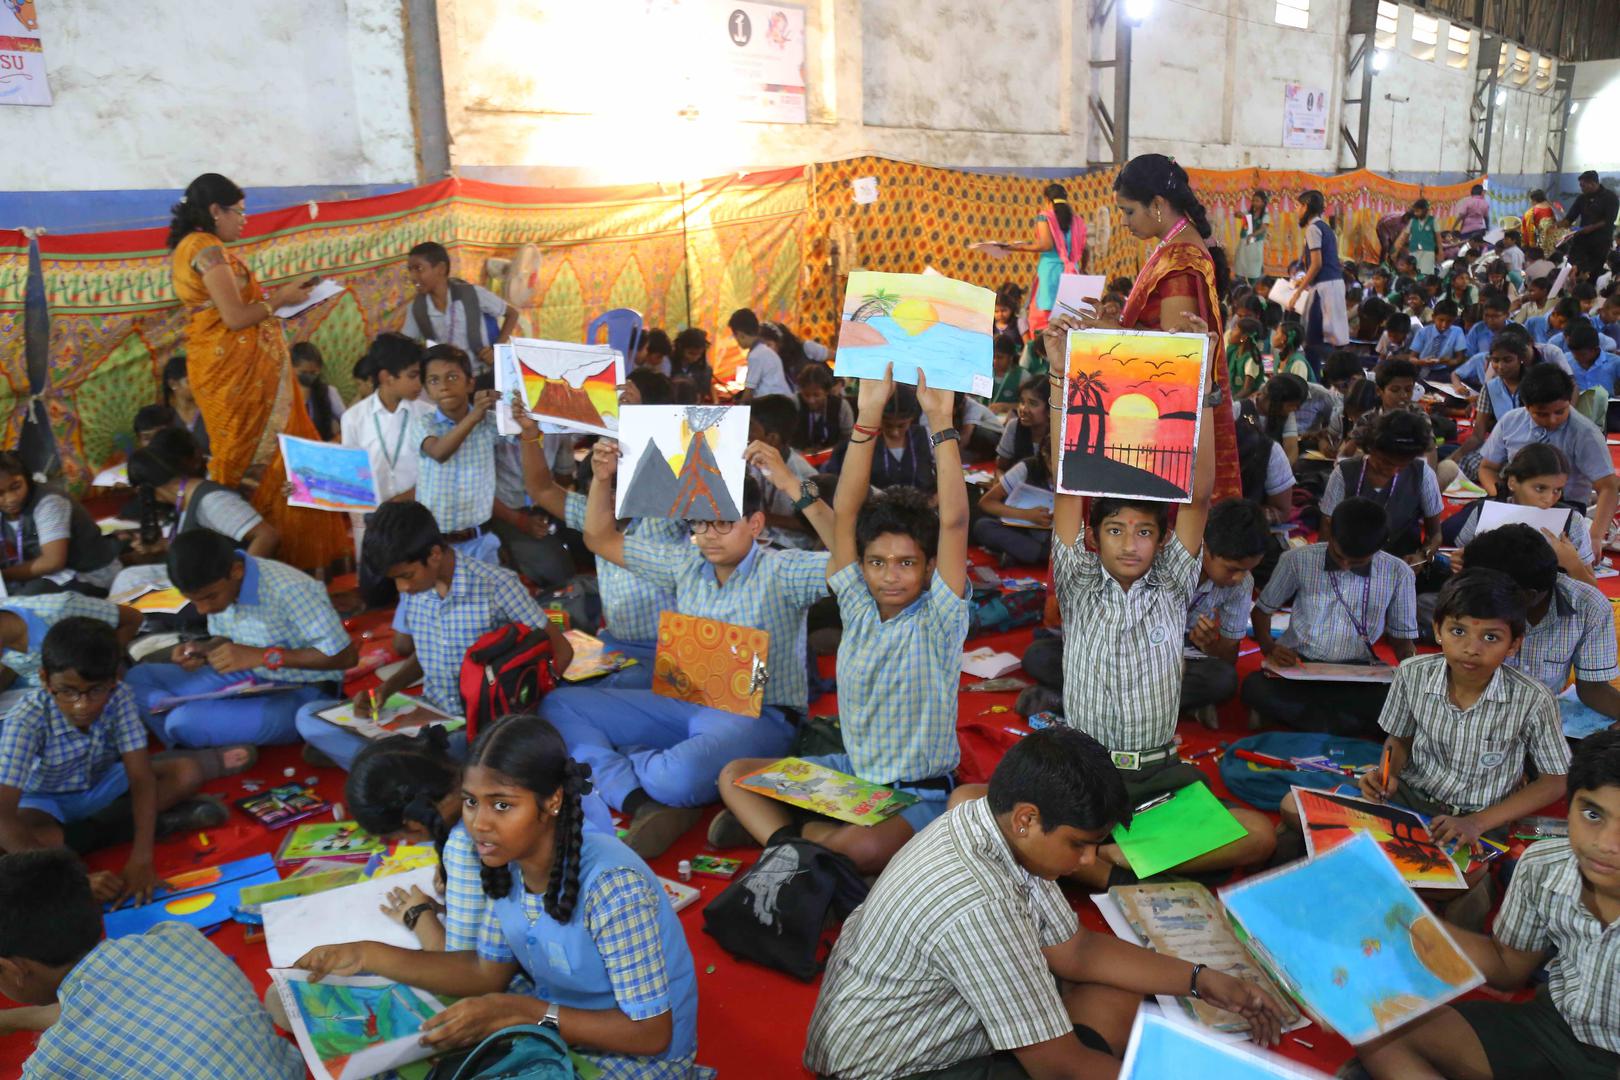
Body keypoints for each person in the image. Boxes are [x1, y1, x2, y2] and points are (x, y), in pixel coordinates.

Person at [965, 310, 1274, 888]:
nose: (1129, 543)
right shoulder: (1079, 581)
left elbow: (1198, 493)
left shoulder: (1174, 582)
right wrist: (1060, 377)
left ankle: (1098, 860)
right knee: (967, 801)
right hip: (1082, 770)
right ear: (1092, 537)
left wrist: (1203, 384)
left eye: (1143, 532)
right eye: (1114, 530)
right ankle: (1115, 857)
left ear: (1162, 540)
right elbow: (1065, 484)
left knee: (1256, 833)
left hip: (1157, 773)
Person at [802, 727, 1287, 1080]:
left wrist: (1203, 980)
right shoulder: (978, 900)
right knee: (1102, 1031)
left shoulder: (988, 823)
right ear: (1028, 820)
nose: (1087, 861)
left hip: (904, 1023)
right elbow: (1060, 1067)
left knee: (1117, 989)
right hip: (885, 1068)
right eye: (1079, 844)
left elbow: (1078, 952)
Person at [295, 714, 703, 1074]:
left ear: (552, 801)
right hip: (554, 1014)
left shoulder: (612, 886)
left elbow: (651, 1034)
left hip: (635, 1053)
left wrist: (521, 1013)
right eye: (471, 802)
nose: (479, 824)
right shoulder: (504, 862)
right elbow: (483, 971)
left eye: (502, 806)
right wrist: (366, 954)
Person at [713, 368, 970, 874]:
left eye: (906, 563)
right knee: (734, 774)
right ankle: (804, 843)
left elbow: (956, 521)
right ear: (863, 566)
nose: (890, 576)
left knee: (862, 850)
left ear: (929, 568)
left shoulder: (939, 618)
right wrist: (867, 413)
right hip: (852, 780)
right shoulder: (855, 601)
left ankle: (794, 841)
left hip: (913, 794)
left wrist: (940, 421)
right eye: (877, 563)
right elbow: (846, 517)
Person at [540, 440, 833, 859]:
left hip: (759, 716)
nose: (708, 537)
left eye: (722, 524)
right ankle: (640, 797)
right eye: (698, 524)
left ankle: (643, 775)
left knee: (674, 776)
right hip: (689, 701)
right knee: (560, 706)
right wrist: (603, 479)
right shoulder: (686, 564)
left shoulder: (782, 570)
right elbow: (599, 538)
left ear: (755, 524)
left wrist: (791, 484)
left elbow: (850, 559)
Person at [1360, 729, 1620, 1080]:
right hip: (1555, 1030)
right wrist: (1402, 917)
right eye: (1592, 815)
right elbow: (1508, 966)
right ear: (1570, 806)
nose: (1606, 843)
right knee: (1377, 1030)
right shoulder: (1544, 866)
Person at [164, 173, 348, 572]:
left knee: (277, 458)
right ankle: (271, 561)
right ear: (215, 211)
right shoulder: (206, 249)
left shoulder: (197, 247)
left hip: (233, 367)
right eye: (239, 212)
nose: (244, 220)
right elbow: (234, 318)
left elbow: (233, 310)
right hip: (233, 375)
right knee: (261, 458)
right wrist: (280, 299)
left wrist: (283, 297)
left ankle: (276, 558)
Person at [295, 502, 567, 770]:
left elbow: (562, 650)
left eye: (406, 576)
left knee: (434, 753)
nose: (402, 587)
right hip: (429, 715)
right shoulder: (416, 590)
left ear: (434, 554)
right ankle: (399, 767)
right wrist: (386, 690)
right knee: (309, 716)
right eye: (396, 580)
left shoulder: (496, 586)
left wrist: (522, 712)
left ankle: (388, 765)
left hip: (476, 727)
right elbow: (429, 652)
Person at [0, 619, 252, 906]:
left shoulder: (120, 697)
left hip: (102, 783)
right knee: (13, 843)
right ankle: (146, 825)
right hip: (44, 801)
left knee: (185, 773)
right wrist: (72, 881)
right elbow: (2, 816)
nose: (82, 705)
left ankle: (92, 836)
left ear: (114, 680)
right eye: (67, 691)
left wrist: (142, 859)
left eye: (96, 691)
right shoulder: (26, 719)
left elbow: (140, 778)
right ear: (45, 679)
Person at [0, 849, 303, 1079]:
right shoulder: (176, 937)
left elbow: (86, 1021)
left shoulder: (55, 1061)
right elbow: (106, 1011)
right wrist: (13, 1020)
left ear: (13, 969)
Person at [1359, 570, 1568, 849]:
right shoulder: (1412, 674)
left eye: (1491, 638)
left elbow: (1556, 781)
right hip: (1411, 798)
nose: (1471, 648)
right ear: (1437, 630)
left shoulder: (1534, 699)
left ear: (1514, 644)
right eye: (1458, 631)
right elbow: (1399, 739)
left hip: (1481, 817)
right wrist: (1387, 777)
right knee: (1303, 815)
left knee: (1448, 883)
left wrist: (1477, 823)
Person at [123, 530, 357, 747]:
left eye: (209, 598)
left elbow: (346, 656)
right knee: (135, 677)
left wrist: (263, 657)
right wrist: (205, 649)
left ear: (236, 571)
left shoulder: (289, 589)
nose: (202, 609)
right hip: (249, 677)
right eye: (193, 601)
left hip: (303, 692)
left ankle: (196, 731)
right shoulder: (221, 586)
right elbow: (226, 637)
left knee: (182, 721)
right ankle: (198, 730)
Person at [514, 392, 683, 681]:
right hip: (617, 642)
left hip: (670, 648)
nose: (612, 497)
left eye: (617, 486)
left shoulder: (665, 513)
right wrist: (530, 435)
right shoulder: (592, 513)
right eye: (602, 489)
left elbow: (677, 463)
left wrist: (639, 419)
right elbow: (541, 489)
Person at [1106, 154, 1241, 498]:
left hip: (1165, 430)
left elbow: (1170, 363)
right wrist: (1110, 324)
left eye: (1128, 211)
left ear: (1157, 204)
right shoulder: (1174, 246)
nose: (1124, 221)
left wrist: (1107, 336)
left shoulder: (1180, 263)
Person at [1243, 497, 1418, 738]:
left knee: (1399, 703)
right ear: (1329, 532)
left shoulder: (1399, 573)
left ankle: (1310, 722)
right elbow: (1262, 611)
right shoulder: (1298, 560)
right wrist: (1269, 647)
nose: (1345, 565)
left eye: (1357, 561)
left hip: (1359, 671)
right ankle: (1343, 725)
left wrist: (1412, 674)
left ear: (1379, 547)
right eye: (1338, 555)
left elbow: (1402, 640)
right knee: (1254, 687)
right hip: (1300, 665)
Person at [1460, 524, 1620, 723]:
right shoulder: (1467, 598)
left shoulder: (1588, 606)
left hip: (1540, 717)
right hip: (1474, 711)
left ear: (1529, 596)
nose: (1481, 596)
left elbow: (1592, 688)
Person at [1479, 363, 1618, 555]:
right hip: (1514, 501)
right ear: (1526, 407)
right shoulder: (1511, 421)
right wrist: (1502, 498)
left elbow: (1609, 487)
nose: (1552, 420)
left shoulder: (1585, 433)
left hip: (1564, 506)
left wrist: (1594, 537)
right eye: (1541, 414)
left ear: (1570, 401)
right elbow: (1487, 468)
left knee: (1539, 555)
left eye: (1560, 412)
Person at [339, 332, 435, 601]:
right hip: (374, 524)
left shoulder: (427, 415)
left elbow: (434, 472)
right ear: (386, 377)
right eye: (413, 375)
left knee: (420, 592)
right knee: (378, 599)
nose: (421, 383)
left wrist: (401, 501)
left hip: (418, 519)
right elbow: (350, 477)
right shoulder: (354, 418)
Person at [125, 427, 278, 564]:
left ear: (143, 489)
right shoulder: (185, 498)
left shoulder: (212, 501)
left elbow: (267, 536)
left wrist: (244, 581)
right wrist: (163, 545)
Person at [415, 344, 504, 565]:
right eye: (434, 380)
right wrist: (474, 415)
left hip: (480, 540)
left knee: (485, 598)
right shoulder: (422, 423)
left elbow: (525, 433)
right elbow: (439, 452)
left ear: (470, 383)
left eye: (452, 377)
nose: (444, 386)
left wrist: (509, 402)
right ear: (426, 388)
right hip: (435, 544)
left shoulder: (490, 422)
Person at [1452, 444, 1596, 581]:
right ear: (1512, 483)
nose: (1548, 499)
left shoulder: (1571, 521)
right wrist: (1458, 562)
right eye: (1540, 488)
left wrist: (1573, 564)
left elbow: (1592, 591)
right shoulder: (1483, 512)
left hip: (1547, 603)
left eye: (1557, 490)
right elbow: (1460, 557)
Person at [1320, 410, 1444, 565]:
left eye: (1401, 467)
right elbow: (1326, 529)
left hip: (1400, 563)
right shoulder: (1344, 473)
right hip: (1348, 563)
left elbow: (1435, 535)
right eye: (1385, 462)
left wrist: (1423, 555)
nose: (1392, 471)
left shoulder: (1423, 474)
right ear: (1371, 448)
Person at [1182, 499, 1266, 727]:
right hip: (1143, 648)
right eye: (1232, 569)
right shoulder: (1173, 562)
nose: (1239, 578)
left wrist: (1210, 646)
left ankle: (1153, 703)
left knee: (1223, 680)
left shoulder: (1242, 584)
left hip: (1188, 650)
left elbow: (1229, 658)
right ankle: (1178, 704)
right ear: (1206, 548)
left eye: (1247, 569)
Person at [0, 453, 122, 597]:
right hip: (47, 577)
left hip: (90, 575)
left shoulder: (49, 502)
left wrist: (4, 576)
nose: (11, 499)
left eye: (16, 486)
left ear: (26, 477)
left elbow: (53, 562)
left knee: (26, 602)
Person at [401, 241, 519, 376]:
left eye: (419, 269)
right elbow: (406, 345)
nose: (412, 277)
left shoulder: (472, 294)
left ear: (441, 269)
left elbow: (512, 314)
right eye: (410, 270)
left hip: (484, 373)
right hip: (451, 380)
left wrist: (497, 350)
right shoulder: (417, 308)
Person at [0, 593, 139, 692]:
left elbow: (133, 618)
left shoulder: (61, 609)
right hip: (39, 694)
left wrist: (103, 663)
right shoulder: (6, 640)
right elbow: (19, 668)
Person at [1001, 183, 1087, 333]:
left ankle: (1044, 350)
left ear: (1047, 200)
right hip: (1073, 273)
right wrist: (1083, 268)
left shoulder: (1045, 217)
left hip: (1050, 273)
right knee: (1068, 317)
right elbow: (1086, 249)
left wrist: (1015, 247)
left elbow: (1046, 245)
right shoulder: (1077, 220)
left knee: (1044, 318)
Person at [826, 384, 935, 493]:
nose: (895, 432)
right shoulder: (860, 441)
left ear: (911, 419)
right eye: (888, 425)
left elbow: (945, 477)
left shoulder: (926, 437)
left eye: (901, 425)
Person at [747, 394, 821, 549]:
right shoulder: (752, 461)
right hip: (761, 539)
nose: (746, 434)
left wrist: (766, 518)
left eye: (750, 428)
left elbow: (814, 523)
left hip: (791, 547)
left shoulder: (805, 474)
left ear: (772, 439)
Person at [972, 440, 1054, 567]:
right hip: (1022, 530)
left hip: (1056, 538)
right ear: (1045, 455)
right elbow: (987, 502)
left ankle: (1031, 555)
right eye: (1052, 463)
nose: (1059, 469)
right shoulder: (1028, 467)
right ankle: (1042, 557)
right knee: (982, 526)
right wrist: (1028, 515)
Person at [1295, 189, 1350, 360]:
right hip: (1333, 283)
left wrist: (1297, 293)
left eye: (1298, 206)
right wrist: (1304, 280)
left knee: (1315, 337)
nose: (1296, 210)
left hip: (1325, 287)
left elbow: (1317, 263)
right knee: (1333, 334)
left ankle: (1318, 378)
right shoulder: (1325, 228)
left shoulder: (1313, 229)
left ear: (1306, 207)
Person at [1562, 171, 1618, 280]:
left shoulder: (1610, 197)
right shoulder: (1581, 198)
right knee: (1571, 270)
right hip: (1580, 242)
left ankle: (1587, 294)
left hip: (1599, 244)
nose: (1581, 188)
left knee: (1591, 275)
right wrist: (1559, 226)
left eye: (1583, 185)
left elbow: (1610, 219)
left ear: (1592, 184)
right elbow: (1570, 218)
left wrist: (1591, 228)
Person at [728, 308, 792, 400]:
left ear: (740, 334)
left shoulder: (756, 355)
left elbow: (749, 391)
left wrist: (740, 408)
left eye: (735, 337)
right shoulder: (764, 350)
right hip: (782, 401)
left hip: (773, 404)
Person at [993, 375, 1050, 473]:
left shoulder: (1059, 435)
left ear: (1050, 409)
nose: (1024, 409)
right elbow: (1001, 468)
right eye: (1022, 402)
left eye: (1033, 403)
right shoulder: (1014, 426)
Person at [289, 341, 344, 441]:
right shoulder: (283, 395)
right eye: (303, 372)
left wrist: (336, 440)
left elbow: (348, 422)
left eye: (313, 373)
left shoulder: (329, 392)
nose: (308, 376)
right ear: (291, 368)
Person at [792, 362, 853, 450]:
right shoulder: (795, 403)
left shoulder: (842, 407)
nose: (811, 400)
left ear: (827, 392)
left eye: (816, 395)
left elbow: (848, 439)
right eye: (806, 395)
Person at [160, 353, 210, 458]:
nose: (197, 385)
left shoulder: (209, 411)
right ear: (173, 384)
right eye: (190, 381)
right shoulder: (166, 417)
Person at [1564, 321, 1620, 396]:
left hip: (1607, 405)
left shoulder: (1615, 362)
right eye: (1574, 353)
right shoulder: (1566, 360)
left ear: (1596, 350)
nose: (1576, 357)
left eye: (1582, 354)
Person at [1410, 299, 1468, 371]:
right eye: (1441, 320)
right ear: (1433, 317)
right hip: (1422, 369)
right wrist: (1421, 362)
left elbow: (1459, 358)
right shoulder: (1423, 332)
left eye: (1449, 321)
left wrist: (1450, 362)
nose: (1444, 324)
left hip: (1444, 371)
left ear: (1454, 319)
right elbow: (1412, 358)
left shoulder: (1457, 331)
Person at [669, 328, 714, 400]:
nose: (695, 358)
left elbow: (708, 388)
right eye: (691, 354)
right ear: (680, 348)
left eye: (699, 354)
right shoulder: (669, 364)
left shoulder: (704, 369)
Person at [1226, 316, 1266, 399]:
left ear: (1243, 338)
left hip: (1245, 401)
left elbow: (1247, 390)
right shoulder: (1233, 351)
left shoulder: (1251, 359)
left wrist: (1231, 403)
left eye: (1235, 329)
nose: (1231, 332)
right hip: (1233, 395)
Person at [1398, 199, 1440, 276]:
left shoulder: (1432, 222)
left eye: (1417, 211)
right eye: (1415, 211)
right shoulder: (1412, 223)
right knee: (1414, 274)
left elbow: (1437, 240)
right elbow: (1404, 240)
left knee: (1425, 275)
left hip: (1427, 255)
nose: (1416, 213)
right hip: (1414, 255)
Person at [1235, 190, 1269, 281]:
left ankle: (1252, 288)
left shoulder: (1265, 216)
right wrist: (1239, 214)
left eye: (1257, 201)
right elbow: (1237, 215)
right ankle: (1240, 288)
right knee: (1241, 265)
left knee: (1253, 268)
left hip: (1255, 243)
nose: (1254, 203)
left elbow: (1263, 229)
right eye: (1253, 200)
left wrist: (1252, 235)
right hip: (1244, 243)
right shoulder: (1249, 213)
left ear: (1263, 202)